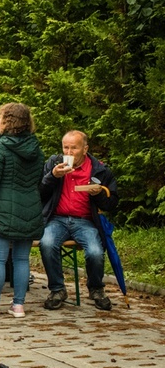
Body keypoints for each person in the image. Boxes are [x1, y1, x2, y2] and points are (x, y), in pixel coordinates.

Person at [0, 103, 45, 318]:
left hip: (2, 209)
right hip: (30, 207)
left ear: (6, 121)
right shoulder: (36, 147)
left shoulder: (0, 147)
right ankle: (18, 306)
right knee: (22, 259)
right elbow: (38, 180)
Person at [39, 130, 119, 311]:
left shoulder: (99, 169)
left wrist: (98, 194)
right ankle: (57, 289)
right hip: (57, 219)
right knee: (47, 243)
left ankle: (96, 288)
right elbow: (40, 193)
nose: (68, 152)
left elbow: (111, 203)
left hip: (85, 221)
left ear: (85, 149)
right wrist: (53, 176)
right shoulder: (54, 163)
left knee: (95, 252)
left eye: (73, 148)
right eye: (65, 147)